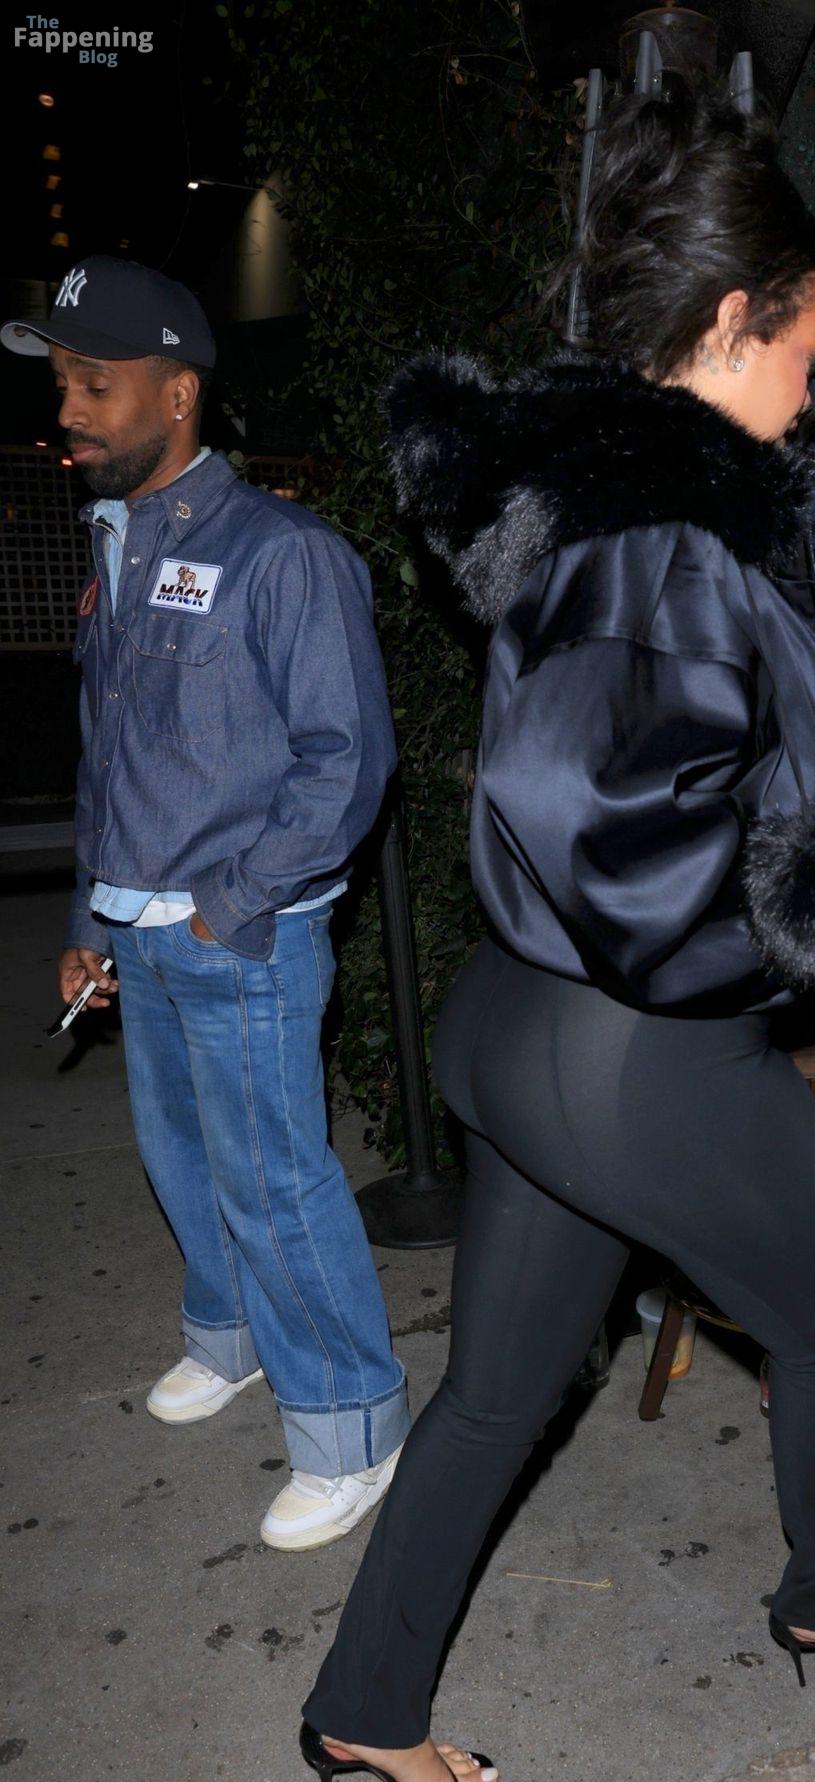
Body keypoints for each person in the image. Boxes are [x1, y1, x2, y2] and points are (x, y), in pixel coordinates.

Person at [298, 87, 815, 1782]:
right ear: (726, 323)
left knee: (498, 1393)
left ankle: (363, 1704)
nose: (813, 383)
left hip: (529, 1031)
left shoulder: (628, 497)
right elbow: (593, 810)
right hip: (638, 1050)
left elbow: (770, 622)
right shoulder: (664, 545)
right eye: (801, 353)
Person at [3, 257, 411, 1547]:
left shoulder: (285, 555)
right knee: (181, 1155)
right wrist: (90, 921)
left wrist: (229, 906)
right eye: (61, 384)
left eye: (95, 384)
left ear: (178, 395)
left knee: (274, 1178)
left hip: (244, 927)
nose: (69, 409)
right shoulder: (115, 543)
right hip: (139, 925)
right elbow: (108, 758)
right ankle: (227, 1336)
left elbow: (347, 763)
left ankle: (352, 1424)